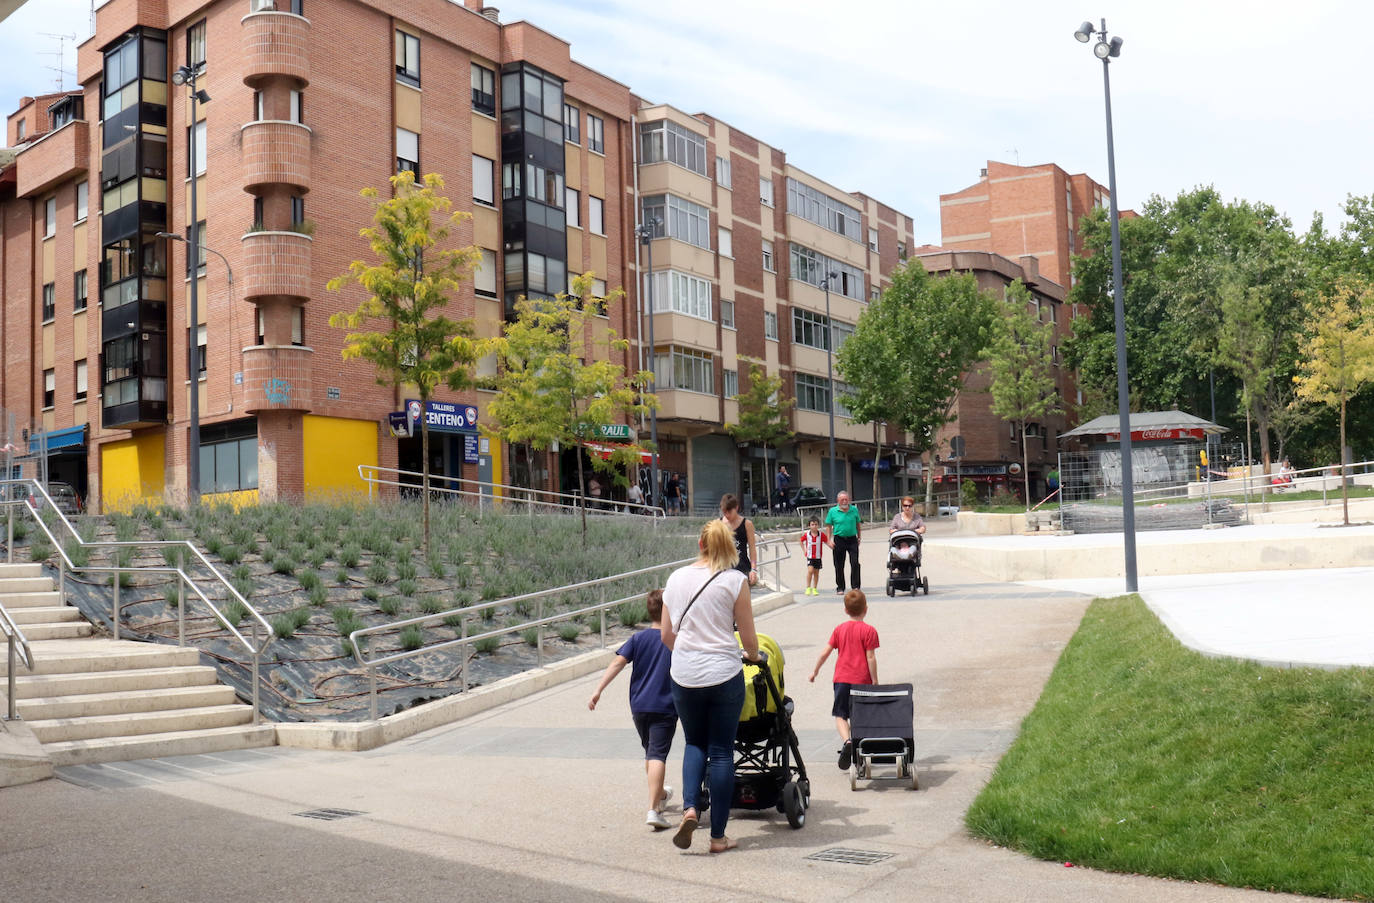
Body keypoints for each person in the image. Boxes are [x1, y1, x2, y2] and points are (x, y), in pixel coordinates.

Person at [661, 519, 761, 854]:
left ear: (701, 545)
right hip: (723, 674)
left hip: (685, 675)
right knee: (720, 751)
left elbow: (666, 635)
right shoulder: (735, 581)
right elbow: (748, 639)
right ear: (728, 547)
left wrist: (690, 654)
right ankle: (718, 837)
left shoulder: (675, 579)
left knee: (694, 743)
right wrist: (753, 655)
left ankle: (690, 808)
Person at [588, 589, 677, 830]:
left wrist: (598, 689)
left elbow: (617, 662)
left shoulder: (638, 639)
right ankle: (653, 810)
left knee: (650, 752)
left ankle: (659, 795)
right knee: (658, 754)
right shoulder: (674, 639)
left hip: (639, 706)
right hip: (665, 705)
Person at [808, 589, 879, 770]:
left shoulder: (839, 629)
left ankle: (847, 741)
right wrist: (875, 681)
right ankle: (859, 746)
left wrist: (815, 671)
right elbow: (870, 657)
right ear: (866, 609)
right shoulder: (869, 631)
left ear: (846, 610)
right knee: (860, 716)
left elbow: (825, 652)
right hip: (862, 681)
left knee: (841, 714)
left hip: (841, 680)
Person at [824, 491, 862, 594]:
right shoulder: (833, 511)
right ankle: (840, 587)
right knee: (839, 564)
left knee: (855, 563)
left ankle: (856, 586)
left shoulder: (854, 510)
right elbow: (828, 526)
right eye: (842, 500)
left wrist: (859, 537)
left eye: (846, 499)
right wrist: (828, 540)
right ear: (838, 501)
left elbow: (858, 524)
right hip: (839, 539)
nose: (845, 501)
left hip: (852, 539)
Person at [719, 493, 758, 587]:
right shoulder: (718, 524)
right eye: (724, 512)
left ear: (736, 508)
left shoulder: (747, 524)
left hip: (742, 569)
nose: (727, 515)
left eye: (729, 512)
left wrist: (753, 570)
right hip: (723, 570)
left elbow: (752, 548)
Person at [798, 516, 832, 595]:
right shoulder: (807, 535)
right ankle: (808, 587)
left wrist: (832, 546)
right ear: (809, 526)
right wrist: (804, 550)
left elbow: (827, 541)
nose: (814, 526)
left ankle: (815, 588)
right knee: (810, 571)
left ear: (818, 525)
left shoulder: (821, 535)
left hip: (818, 557)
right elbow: (800, 541)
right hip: (810, 556)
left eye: (816, 524)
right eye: (812, 524)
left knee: (816, 573)